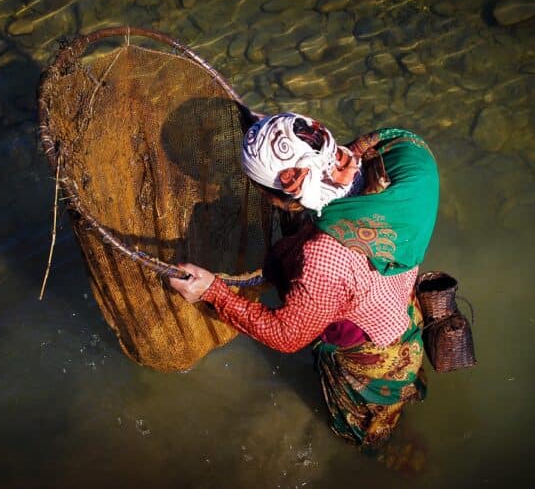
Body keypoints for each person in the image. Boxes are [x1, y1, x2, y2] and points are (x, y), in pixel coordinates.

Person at [169, 112, 439, 449]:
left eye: (260, 189)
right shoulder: (406, 154)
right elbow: (354, 151)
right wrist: (284, 136)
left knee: (371, 432)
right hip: (400, 306)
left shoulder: (322, 258)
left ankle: (390, 453)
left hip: (372, 358)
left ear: (284, 194)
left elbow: (287, 337)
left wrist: (214, 292)